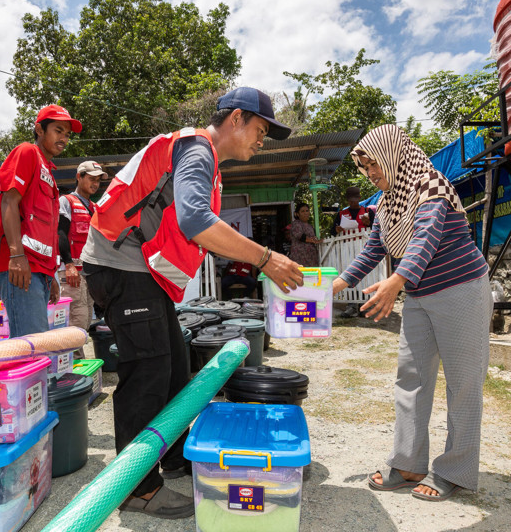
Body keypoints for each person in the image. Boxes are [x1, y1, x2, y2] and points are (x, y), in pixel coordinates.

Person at [81, 87, 303, 519]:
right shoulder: (198, 151)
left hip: (141, 269)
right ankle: (138, 488)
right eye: (260, 130)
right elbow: (196, 220)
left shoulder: (206, 160)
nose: (262, 141)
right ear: (236, 119)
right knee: (147, 372)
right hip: (120, 264)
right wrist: (265, 257)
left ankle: (178, 456)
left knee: (175, 367)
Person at [332, 124, 492, 502]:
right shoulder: (387, 204)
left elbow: (425, 239)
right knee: (411, 378)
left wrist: (396, 282)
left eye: (374, 164)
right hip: (420, 295)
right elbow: (374, 250)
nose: (370, 173)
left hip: (461, 291)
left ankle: (455, 470)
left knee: (463, 382)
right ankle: (408, 463)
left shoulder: (431, 186)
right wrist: (332, 288)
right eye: (365, 167)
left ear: (393, 155)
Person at [0, 105, 82, 338]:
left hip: (37, 271)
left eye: (67, 134)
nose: (63, 138)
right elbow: (9, 202)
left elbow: (44, 231)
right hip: (20, 268)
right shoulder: (27, 152)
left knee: (37, 347)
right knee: (32, 348)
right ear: (39, 129)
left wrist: (50, 275)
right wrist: (16, 255)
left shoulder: (48, 172)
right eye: (58, 130)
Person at [58, 161, 108, 356]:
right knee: (76, 319)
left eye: (98, 181)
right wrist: (69, 264)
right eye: (91, 179)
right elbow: (61, 233)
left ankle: (77, 362)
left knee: (86, 318)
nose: (95, 184)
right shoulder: (67, 201)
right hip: (73, 270)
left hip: (89, 270)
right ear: (79, 177)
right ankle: (72, 366)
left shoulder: (94, 207)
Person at [333, 186, 375, 318]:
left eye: (355, 200)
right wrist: (337, 229)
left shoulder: (367, 211)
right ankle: (351, 306)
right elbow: (332, 232)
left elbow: (376, 228)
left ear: (359, 198)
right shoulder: (341, 214)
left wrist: (369, 223)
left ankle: (364, 306)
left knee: (366, 276)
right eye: (350, 200)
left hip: (365, 248)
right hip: (348, 249)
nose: (353, 202)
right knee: (350, 275)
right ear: (347, 200)